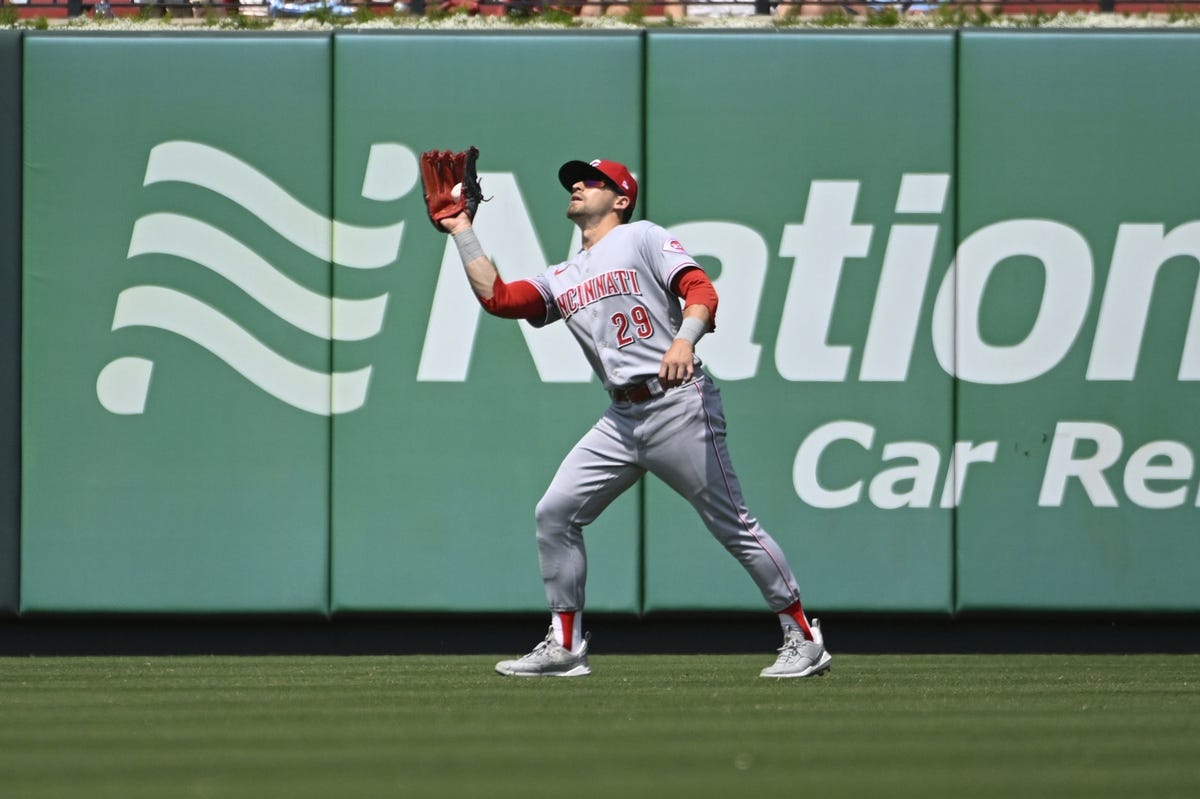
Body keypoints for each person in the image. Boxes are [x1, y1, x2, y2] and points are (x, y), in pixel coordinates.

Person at [436, 158, 831, 679]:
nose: (578, 185)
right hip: (622, 418)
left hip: (679, 404)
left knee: (732, 524)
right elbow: (502, 300)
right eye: (575, 181)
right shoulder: (563, 275)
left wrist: (684, 340)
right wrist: (462, 229)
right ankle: (566, 645)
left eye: (593, 181)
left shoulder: (642, 237)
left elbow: (701, 291)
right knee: (555, 513)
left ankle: (803, 636)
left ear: (621, 199)